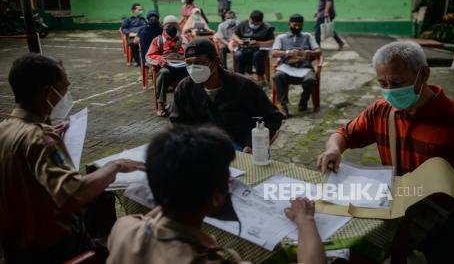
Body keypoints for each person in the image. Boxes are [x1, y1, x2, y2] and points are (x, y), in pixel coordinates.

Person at [0, 54, 145, 263]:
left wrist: (47, 132)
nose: (66, 96)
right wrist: (115, 166)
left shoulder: (6, 129)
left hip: (15, 246)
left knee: (102, 200)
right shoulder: (40, 139)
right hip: (54, 248)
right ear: (47, 92)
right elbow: (75, 195)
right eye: (64, 89)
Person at [107, 126, 325, 264]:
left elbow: (160, 212)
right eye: (225, 176)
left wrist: (172, 190)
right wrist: (305, 221)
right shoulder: (208, 259)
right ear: (215, 197)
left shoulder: (124, 227)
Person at [317, 41, 454, 178]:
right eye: (383, 83)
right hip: (398, 198)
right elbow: (343, 134)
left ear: (424, 74)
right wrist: (333, 149)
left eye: (397, 82)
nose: (390, 90)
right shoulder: (380, 111)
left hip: (442, 205)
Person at [170, 39, 283, 153]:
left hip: (240, 144)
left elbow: (272, 117)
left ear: (216, 61)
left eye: (200, 62)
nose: (193, 68)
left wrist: (251, 145)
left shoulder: (243, 86)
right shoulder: (184, 87)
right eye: (189, 63)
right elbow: (178, 120)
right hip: (202, 144)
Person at [271, 14, 321, 118]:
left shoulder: (308, 36)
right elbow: (274, 53)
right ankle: (282, 105)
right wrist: (287, 53)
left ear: (303, 25)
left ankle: (303, 101)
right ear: (289, 24)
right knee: (278, 76)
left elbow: (318, 51)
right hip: (287, 67)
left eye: (300, 25)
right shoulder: (281, 37)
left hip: (304, 67)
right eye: (295, 25)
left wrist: (310, 52)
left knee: (311, 80)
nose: (297, 27)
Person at [146, 15, 189, 117]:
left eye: (174, 25)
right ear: (164, 26)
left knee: (195, 72)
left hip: (183, 68)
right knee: (163, 73)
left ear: (178, 26)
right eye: (169, 25)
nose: (172, 28)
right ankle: (161, 104)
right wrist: (160, 60)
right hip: (167, 69)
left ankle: (191, 103)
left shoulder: (185, 39)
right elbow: (149, 56)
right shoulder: (158, 40)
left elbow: (192, 52)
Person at [232, 10, 274, 84]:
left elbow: (272, 42)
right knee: (239, 55)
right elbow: (234, 35)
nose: (253, 25)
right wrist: (239, 41)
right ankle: (240, 77)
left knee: (258, 55)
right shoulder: (242, 24)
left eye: (256, 24)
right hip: (244, 47)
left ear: (261, 21)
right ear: (249, 19)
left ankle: (260, 78)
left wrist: (258, 43)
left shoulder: (267, 27)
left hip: (259, 49)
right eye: (252, 23)